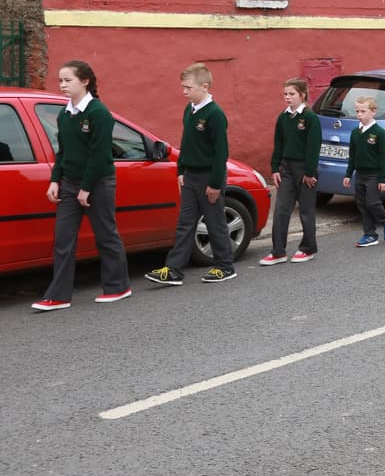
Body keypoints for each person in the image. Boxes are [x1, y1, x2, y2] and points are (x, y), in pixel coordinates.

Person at [33, 61, 131, 311]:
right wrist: (55, 180)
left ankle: (118, 287)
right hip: (69, 183)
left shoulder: (99, 113)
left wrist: (86, 188)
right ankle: (59, 296)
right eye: (60, 81)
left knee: (106, 235)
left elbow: (100, 155)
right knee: (63, 239)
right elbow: (63, 152)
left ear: (85, 81)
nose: (63, 85)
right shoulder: (65, 114)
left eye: (68, 80)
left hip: (98, 183)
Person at [145, 63, 236, 286]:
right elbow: (186, 144)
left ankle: (225, 266)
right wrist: (181, 170)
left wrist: (215, 183)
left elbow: (221, 153)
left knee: (215, 223)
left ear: (204, 86)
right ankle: (174, 269)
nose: (184, 91)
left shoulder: (214, 114)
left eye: (188, 87)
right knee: (185, 223)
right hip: (190, 177)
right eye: (183, 87)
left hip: (208, 178)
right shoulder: (190, 110)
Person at [260, 78, 321, 265]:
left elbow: (313, 146)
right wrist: (275, 168)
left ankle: (308, 248)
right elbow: (278, 144)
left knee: (306, 211)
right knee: (281, 210)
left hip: (304, 169)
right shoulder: (283, 117)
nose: (287, 97)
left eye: (292, 94)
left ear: (302, 94)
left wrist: (309, 172)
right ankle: (278, 251)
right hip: (286, 168)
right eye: (285, 94)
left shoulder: (310, 118)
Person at [343, 95, 385, 247]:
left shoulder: (379, 132)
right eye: (357, 111)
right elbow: (352, 155)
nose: (359, 114)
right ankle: (370, 234)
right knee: (362, 205)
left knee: (372, 203)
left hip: (374, 175)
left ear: (373, 111)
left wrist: (383, 179)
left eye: (363, 111)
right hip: (360, 174)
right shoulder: (355, 132)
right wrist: (348, 174)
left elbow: (383, 158)